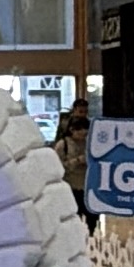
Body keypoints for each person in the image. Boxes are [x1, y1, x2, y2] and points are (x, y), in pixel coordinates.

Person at [54, 94, 92, 223]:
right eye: (80, 111)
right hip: (70, 182)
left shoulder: (90, 128)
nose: (83, 114)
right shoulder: (65, 125)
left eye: (85, 112)